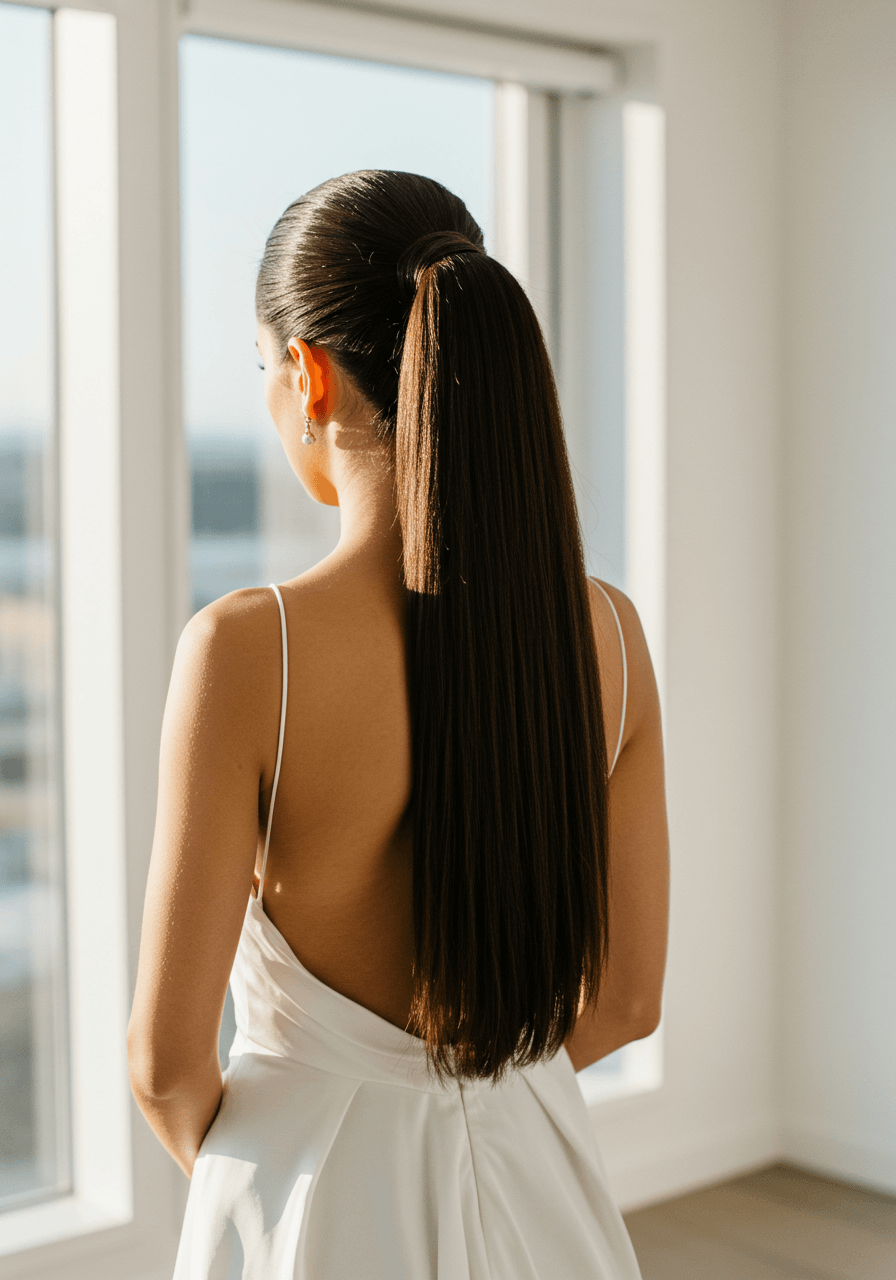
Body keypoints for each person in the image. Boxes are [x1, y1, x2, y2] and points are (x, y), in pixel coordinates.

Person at [127, 170, 670, 1278]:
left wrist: (272, 1179)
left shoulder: (248, 650)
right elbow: (624, 998)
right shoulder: (608, 631)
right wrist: (478, 1107)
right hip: (538, 1175)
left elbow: (165, 1062)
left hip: (312, 1202)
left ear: (307, 375)